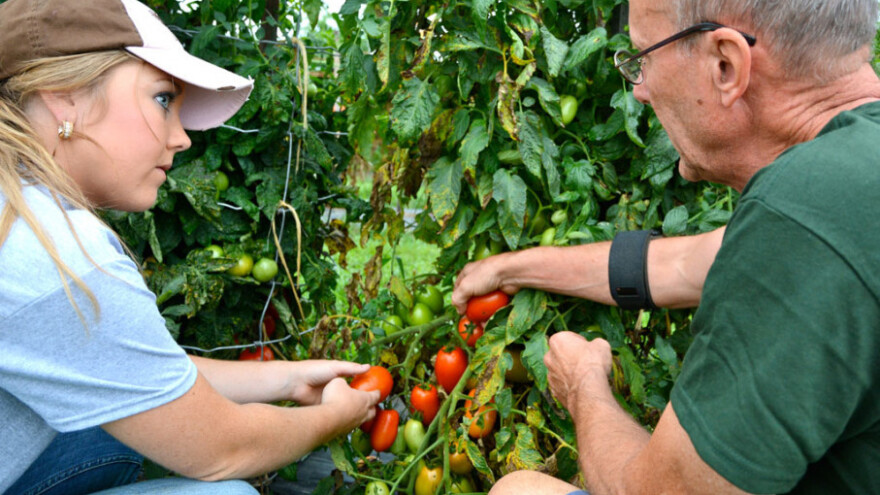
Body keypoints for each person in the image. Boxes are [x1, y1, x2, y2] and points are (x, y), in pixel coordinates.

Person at [455, 0, 880, 493]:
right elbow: (679, 265)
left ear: (726, 65)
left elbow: (662, 489)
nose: (639, 90)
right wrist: (512, 268)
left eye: (643, 58)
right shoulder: (849, 175)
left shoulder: (804, 218)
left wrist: (583, 384)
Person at [0, 1, 381, 494]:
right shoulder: (59, 254)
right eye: (163, 99)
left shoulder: (19, 211)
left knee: (125, 424)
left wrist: (287, 379)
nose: (182, 138)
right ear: (64, 97)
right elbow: (224, 449)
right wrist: (334, 417)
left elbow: (125, 369)